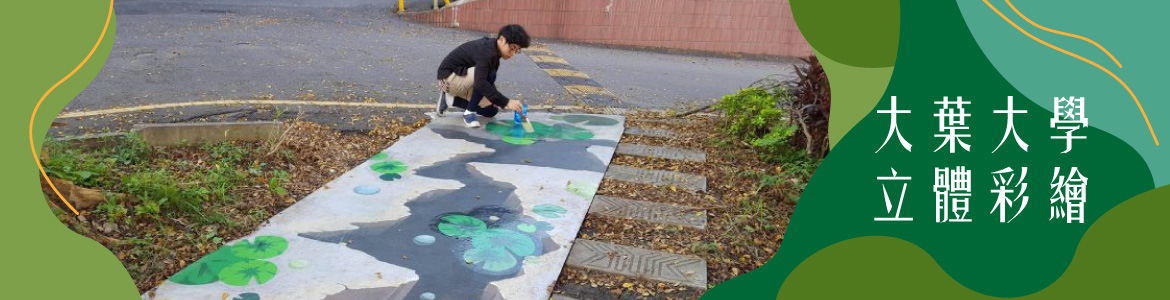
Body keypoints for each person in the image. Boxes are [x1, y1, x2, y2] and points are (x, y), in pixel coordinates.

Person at [435, 24, 529, 128]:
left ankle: (450, 100)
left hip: (464, 79)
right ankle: (469, 113)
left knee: (491, 111)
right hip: (449, 78)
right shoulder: (486, 50)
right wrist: (506, 102)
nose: (512, 53)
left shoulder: (495, 54)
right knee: (489, 74)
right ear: (502, 40)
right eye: (512, 48)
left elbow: (487, 83)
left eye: (516, 51)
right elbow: (481, 82)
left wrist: (497, 100)